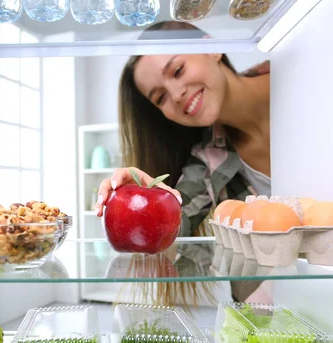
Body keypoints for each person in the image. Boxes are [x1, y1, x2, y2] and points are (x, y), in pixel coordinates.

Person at [95, 21, 271, 238]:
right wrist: (139, 201)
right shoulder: (207, 160)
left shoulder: (304, 76)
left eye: (178, 70)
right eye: (161, 97)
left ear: (212, 49)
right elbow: (168, 236)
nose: (176, 94)